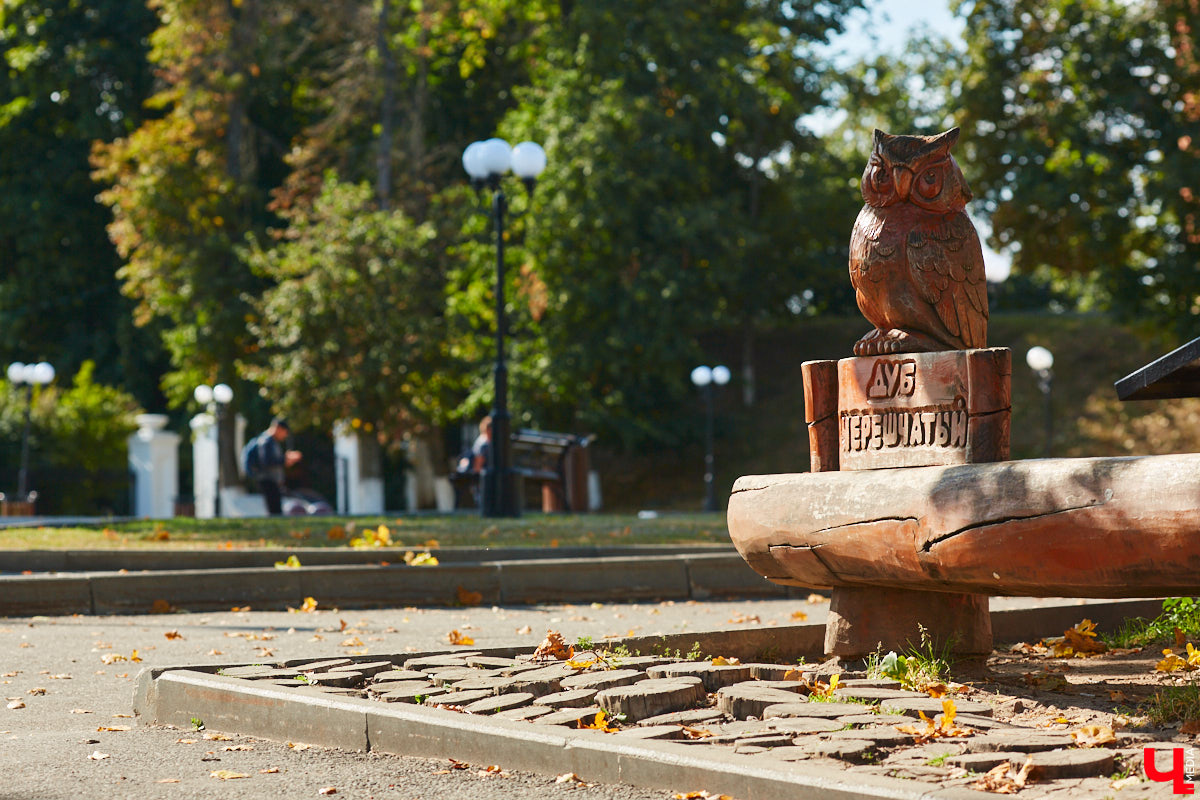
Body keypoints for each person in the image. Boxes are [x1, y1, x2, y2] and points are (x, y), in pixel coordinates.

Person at [249, 418, 302, 515]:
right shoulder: (266, 441)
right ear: (278, 428)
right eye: (284, 432)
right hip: (267, 479)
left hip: (271, 480)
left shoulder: (272, 442)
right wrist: (285, 459)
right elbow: (266, 461)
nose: (285, 435)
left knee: (275, 509)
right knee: (275, 510)